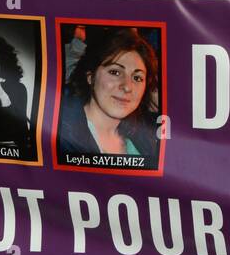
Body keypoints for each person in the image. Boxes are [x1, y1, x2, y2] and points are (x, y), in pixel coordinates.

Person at [57, 26, 161, 168]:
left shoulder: (146, 138)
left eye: (137, 78)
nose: (127, 86)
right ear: (90, 77)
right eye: (115, 72)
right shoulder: (58, 135)